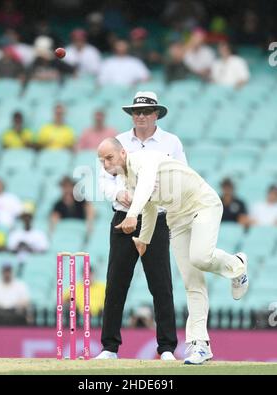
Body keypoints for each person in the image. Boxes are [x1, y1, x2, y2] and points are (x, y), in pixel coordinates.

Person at [98, 137, 249, 365]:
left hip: (202, 204)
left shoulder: (142, 159)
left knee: (200, 258)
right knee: (191, 281)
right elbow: (149, 207)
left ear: (123, 153)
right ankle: (200, 345)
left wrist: (130, 216)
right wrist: (144, 239)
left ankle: (237, 265)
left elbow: (147, 185)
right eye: (102, 161)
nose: (106, 165)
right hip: (177, 218)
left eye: (109, 158)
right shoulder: (128, 180)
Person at [96, 92, 186, 361]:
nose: (141, 116)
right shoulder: (119, 142)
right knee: (116, 283)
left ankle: (167, 347)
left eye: (146, 112)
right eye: (136, 112)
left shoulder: (171, 142)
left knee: (161, 284)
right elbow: (104, 179)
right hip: (124, 218)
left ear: (157, 113)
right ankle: (109, 348)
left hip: (156, 219)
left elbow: (182, 177)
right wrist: (117, 194)